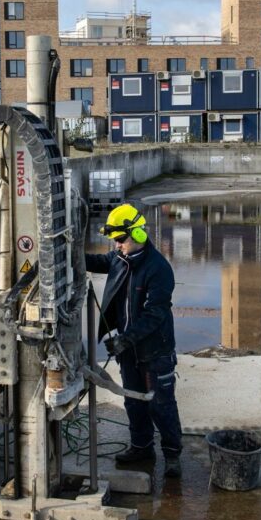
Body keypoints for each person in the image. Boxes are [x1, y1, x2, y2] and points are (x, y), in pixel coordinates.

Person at [86, 203, 183, 478]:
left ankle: (173, 454)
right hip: (129, 350)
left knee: (160, 404)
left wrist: (125, 339)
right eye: (114, 240)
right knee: (133, 401)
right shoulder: (120, 258)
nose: (116, 245)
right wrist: (70, 256)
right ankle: (141, 447)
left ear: (138, 235)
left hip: (155, 351)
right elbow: (99, 262)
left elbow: (155, 315)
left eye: (120, 239)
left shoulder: (159, 269)